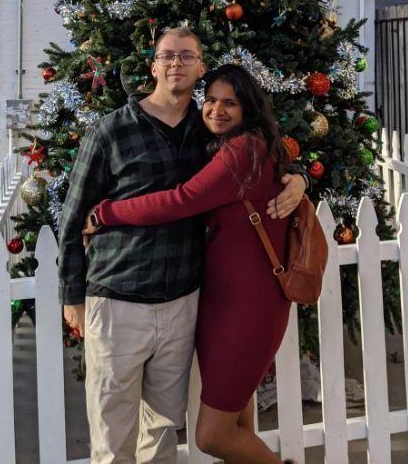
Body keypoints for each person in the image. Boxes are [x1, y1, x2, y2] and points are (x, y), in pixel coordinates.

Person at [56, 27, 308, 464]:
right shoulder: (111, 132)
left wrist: (300, 176)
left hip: (181, 303)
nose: (176, 63)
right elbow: (73, 216)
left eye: (187, 56)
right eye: (167, 55)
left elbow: (258, 158)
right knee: (113, 438)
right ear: (153, 65)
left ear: (199, 67)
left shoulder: (210, 130)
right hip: (119, 300)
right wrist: (71, 296)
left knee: (161, 435)